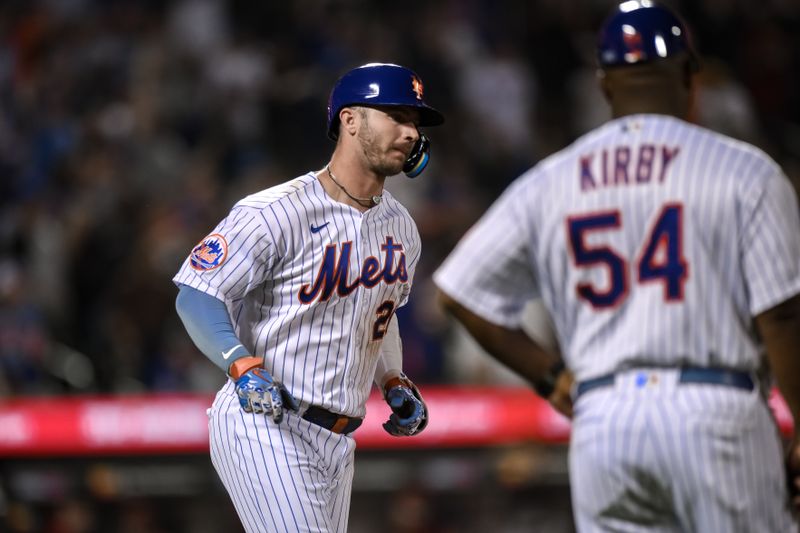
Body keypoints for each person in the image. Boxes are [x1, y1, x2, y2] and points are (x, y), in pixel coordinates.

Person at [434, 2, 800, 531]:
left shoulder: (551, 179)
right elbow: (783, 317)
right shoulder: (743, 170)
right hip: (715, 411)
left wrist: (548, 376)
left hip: (605, 420)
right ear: (690, 75)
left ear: (604, 84)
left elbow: (457, 293)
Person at [173, 62, 444, 532]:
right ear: (351, 119)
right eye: (396, 116)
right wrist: (238, 363)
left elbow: (383, 312)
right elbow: (196, 295)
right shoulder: (275, 211)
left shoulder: (403, 228)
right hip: (267, 422)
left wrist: (393, 378)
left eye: (414, 123)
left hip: (339, 439)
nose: (409, 133)